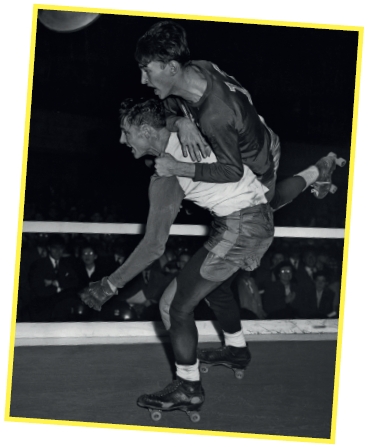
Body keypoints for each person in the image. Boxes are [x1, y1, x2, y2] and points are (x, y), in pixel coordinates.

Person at [80, 98, 275, 415]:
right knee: (180, 298)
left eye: (125, 132)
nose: (121, 140)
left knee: (177, 306)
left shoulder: (166, 174)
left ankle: (189, 388)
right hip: (247, 219)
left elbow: (154, 246)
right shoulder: (188, 128)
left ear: (144, 131)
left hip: (241, 226)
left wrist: (110, 285)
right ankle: (233, 352)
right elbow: (169, 117)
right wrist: (179, 122)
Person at [135, 20, 343, 210]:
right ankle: (321, 168)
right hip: (245, 133)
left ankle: (320, 168)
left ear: (172, 68)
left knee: (266, 208)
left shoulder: (215, 115)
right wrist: (181, 123)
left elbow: (233, 171)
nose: (143, 80)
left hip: (257, 163)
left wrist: (177, 168)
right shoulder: (198, 68)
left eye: (147, 70)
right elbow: (167, 114)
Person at [28, 234, 79, 322]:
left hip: (63, 309)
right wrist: (60, 289)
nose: (58, 251)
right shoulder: (39, 264)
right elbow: (38, 289)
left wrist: (55, 283)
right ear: (49, 248)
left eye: (61, 248)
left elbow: (75, 283)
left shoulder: (67, 264)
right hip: (43, 308)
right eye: (55, 248)